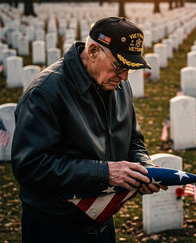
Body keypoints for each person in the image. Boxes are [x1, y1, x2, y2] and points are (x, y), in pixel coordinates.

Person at [11, 17, 166, 242]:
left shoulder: (118, 85)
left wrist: (145, 168)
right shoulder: (45, 92)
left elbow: (133, 139)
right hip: (54, 224)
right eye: (119, 65)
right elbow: (30, 165)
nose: (124, 77)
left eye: (129, 69)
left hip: (101, 220)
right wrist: (105, 173)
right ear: (93, 51)